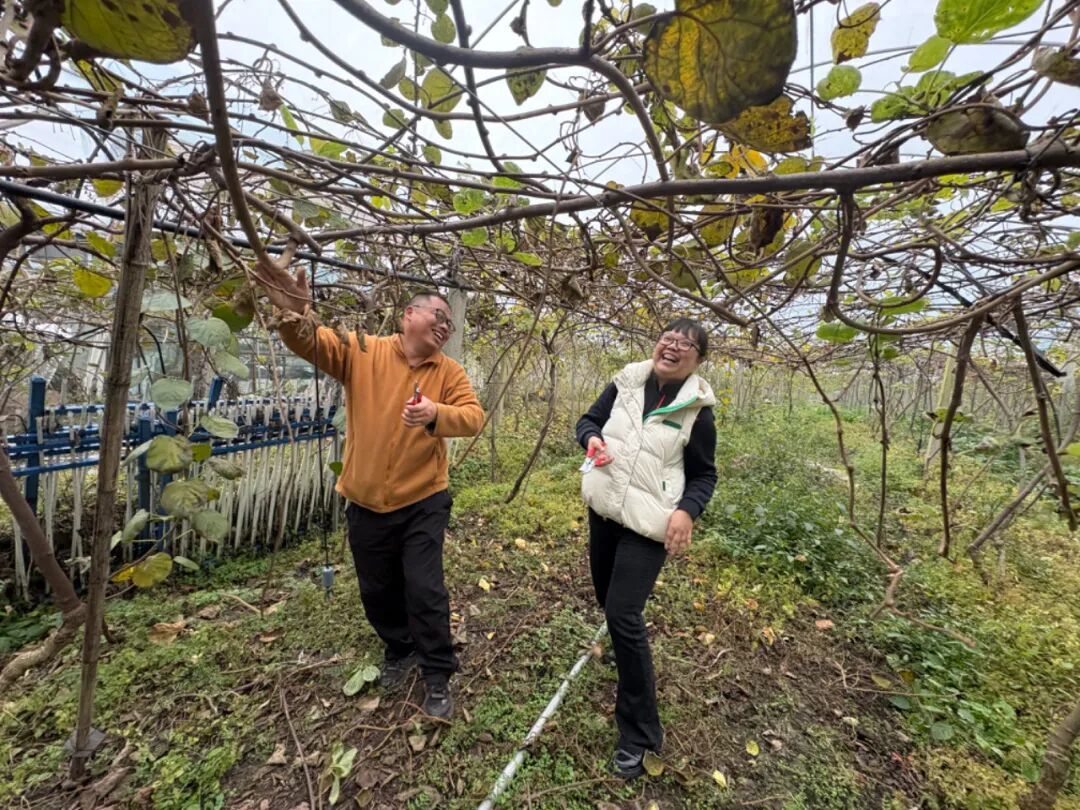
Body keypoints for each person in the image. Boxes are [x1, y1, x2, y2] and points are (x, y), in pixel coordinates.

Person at [253, 253, 484, 718]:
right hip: (364, 501)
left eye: (449, 323)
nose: (445, 327)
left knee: (425, 587)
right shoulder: (363, 351)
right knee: (376, 588)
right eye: (438, 316)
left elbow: (473, 417)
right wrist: (293, 314)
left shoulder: (448, 373)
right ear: (409, 315)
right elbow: (313, 342)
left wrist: (436, 413)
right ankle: (400, 647)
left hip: (423, 499)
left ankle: (437, 672)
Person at [576, 318, 718, 778]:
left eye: (686, 344)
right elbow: (588, 421)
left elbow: (704, 475)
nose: (673, 346)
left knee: (623, 614)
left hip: (648, 523)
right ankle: (623, 657)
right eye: (668, 338)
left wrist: (687, 511)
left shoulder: (697, 412)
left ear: (698, 360)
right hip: (605, 511)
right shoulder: (626, 383)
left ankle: (640, 734)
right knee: (607, 601)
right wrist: (591, 439)